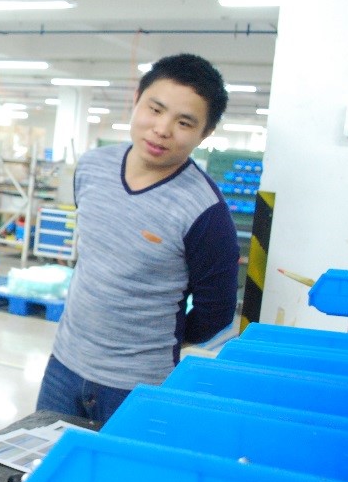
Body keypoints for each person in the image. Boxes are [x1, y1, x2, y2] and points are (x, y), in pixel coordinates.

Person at [38, 53, 239, 425]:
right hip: (64, 365)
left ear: (204, 133)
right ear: (136, 100)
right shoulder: (93, 167)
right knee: (50, 471)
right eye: (156, 109)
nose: (162, 129)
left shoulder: (206, 213)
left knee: (123, 481)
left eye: (184, 122)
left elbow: (217, 312)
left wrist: (152, 342)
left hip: (139, 385)